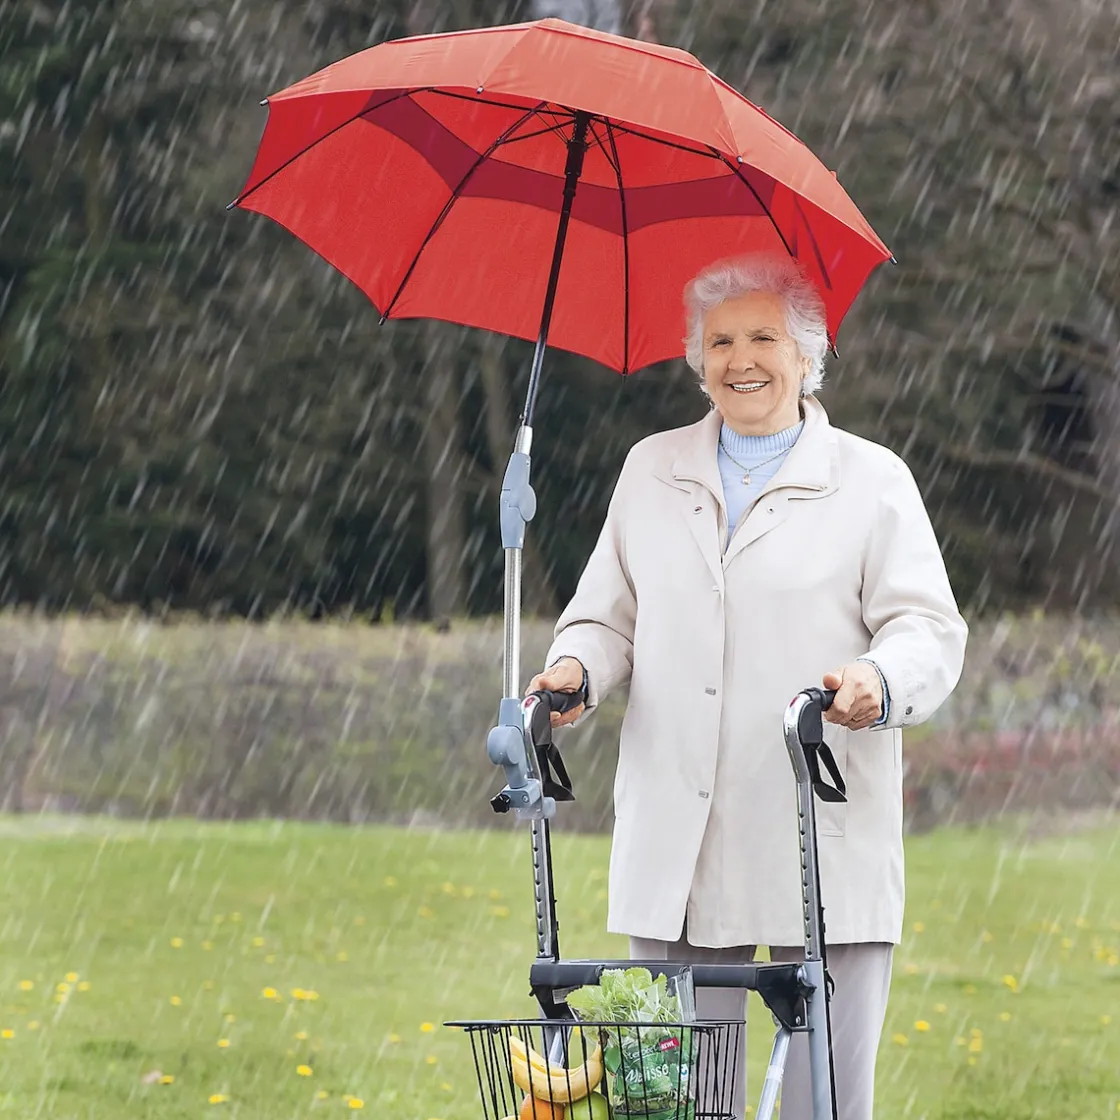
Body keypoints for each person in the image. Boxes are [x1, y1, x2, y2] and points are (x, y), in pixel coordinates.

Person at [526, 253, 968, 1120]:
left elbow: (928, 630)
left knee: (823, 1104)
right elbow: (604, 618)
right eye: (720, 340)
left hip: (817, 831)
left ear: (808, 354)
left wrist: (878, 680)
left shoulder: (873, 482)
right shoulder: (651, 470)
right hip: (678, 839)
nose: (742, 359)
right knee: (680, 1102)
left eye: (765, 336)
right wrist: (575, 671)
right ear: (698, 359)